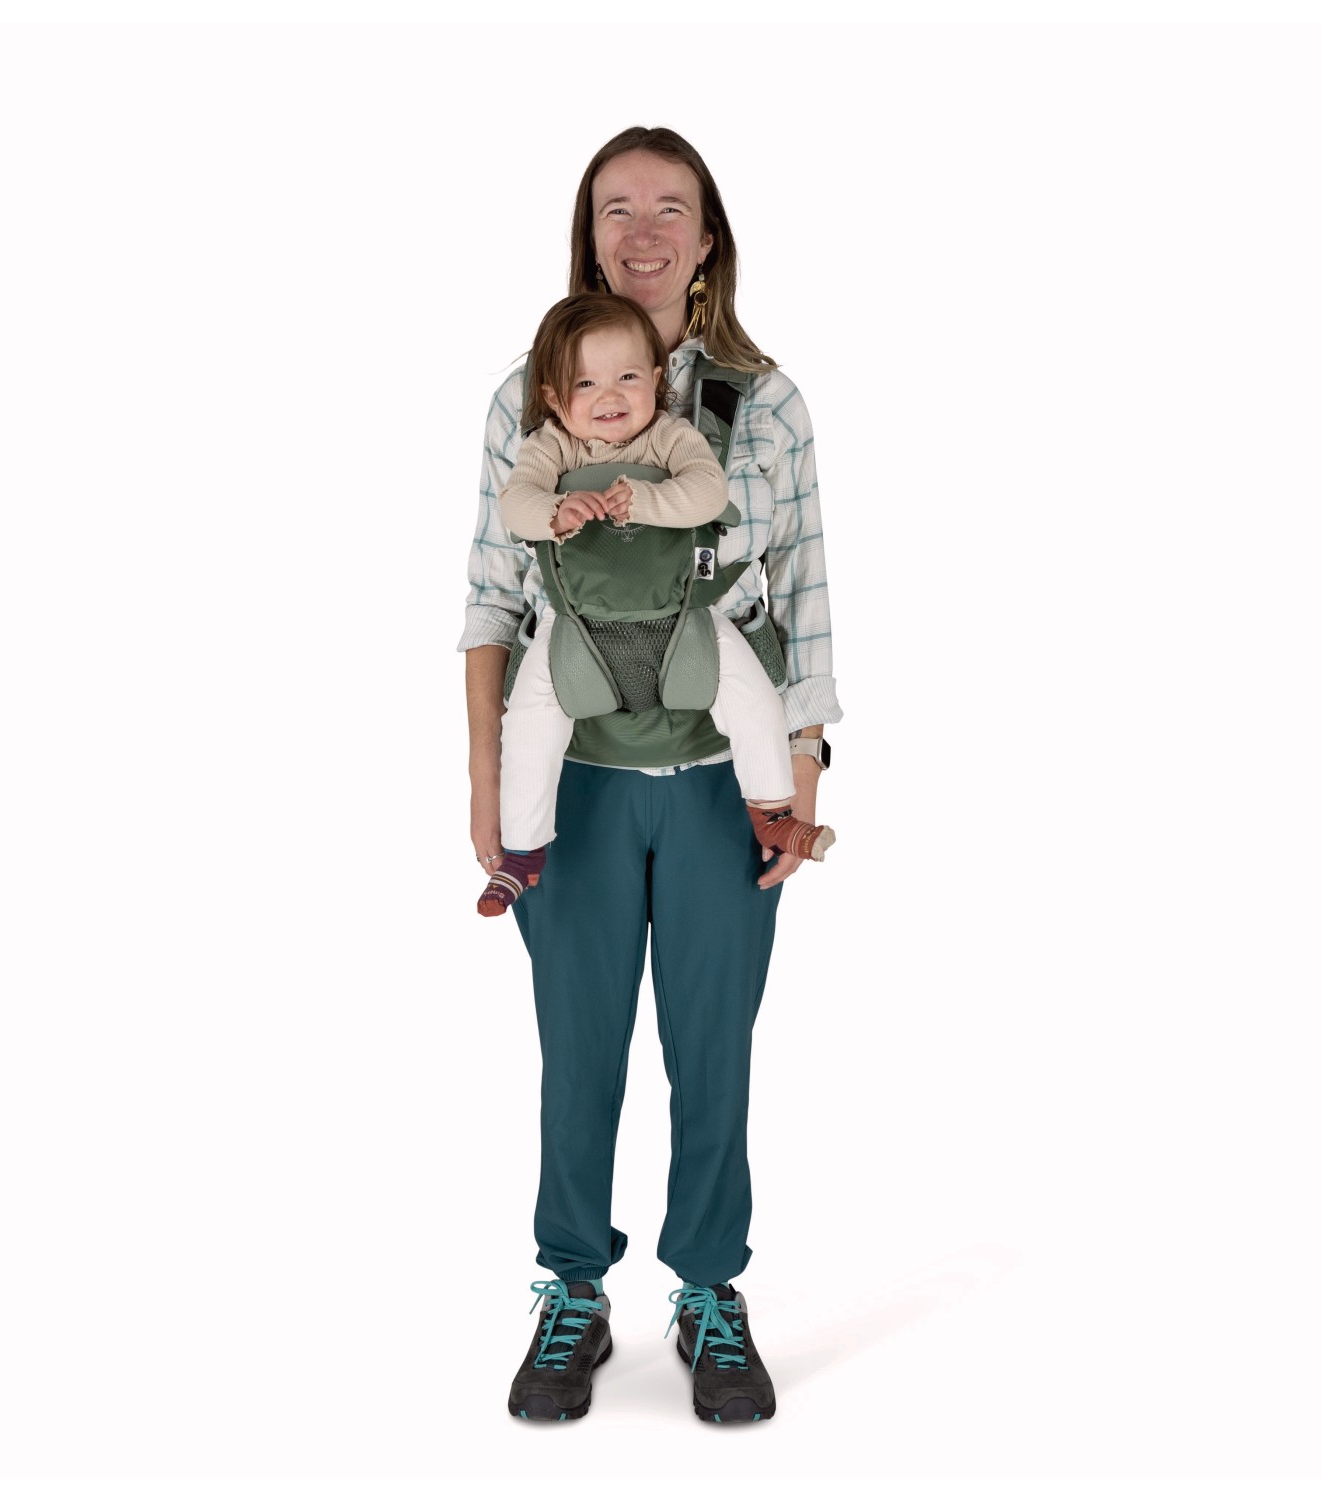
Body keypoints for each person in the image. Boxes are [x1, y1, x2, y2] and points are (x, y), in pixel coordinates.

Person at [459, 126, 841, 1425]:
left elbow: (804, 590)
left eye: (669, 206)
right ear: (588, 235)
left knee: (710, 1045)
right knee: (579, 1048)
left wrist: (802, 768)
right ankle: (572, 1287)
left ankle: (709, 1290)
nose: (642, 230)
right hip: (577, 773)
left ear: (708, 236)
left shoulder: (764, 405)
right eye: (615, 208)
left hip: (725, 771)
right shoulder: (528, 396)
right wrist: (486, 786)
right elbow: (490, 597)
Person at [476, 290, 835, 917]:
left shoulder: (671, 437)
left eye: (628, 378)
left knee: (752, 694)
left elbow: (707, 493)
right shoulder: (552, 446)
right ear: (555, 400)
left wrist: (643, 502)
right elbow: (515, 505)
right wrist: (555, 512)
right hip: (574, 628)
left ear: (657, 380)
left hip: (682, 619)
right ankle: (524, 851)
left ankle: (773, 809)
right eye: (585, 383)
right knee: (530, 717)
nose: (609, 397)